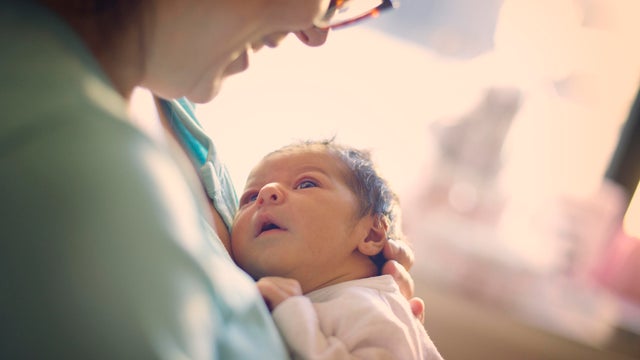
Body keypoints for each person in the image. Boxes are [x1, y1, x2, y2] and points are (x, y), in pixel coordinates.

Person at [1, 0, 422, 358]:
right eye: (334, 1)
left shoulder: (176, 111)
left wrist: (353, 304)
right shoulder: (67, 159)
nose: (316, 33)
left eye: (307, 184)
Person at [231, 139, 444, 359]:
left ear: (371, 234)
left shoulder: (366, 306)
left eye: (306, 184)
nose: (266, 193)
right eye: (250, 197)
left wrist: (292, 314)